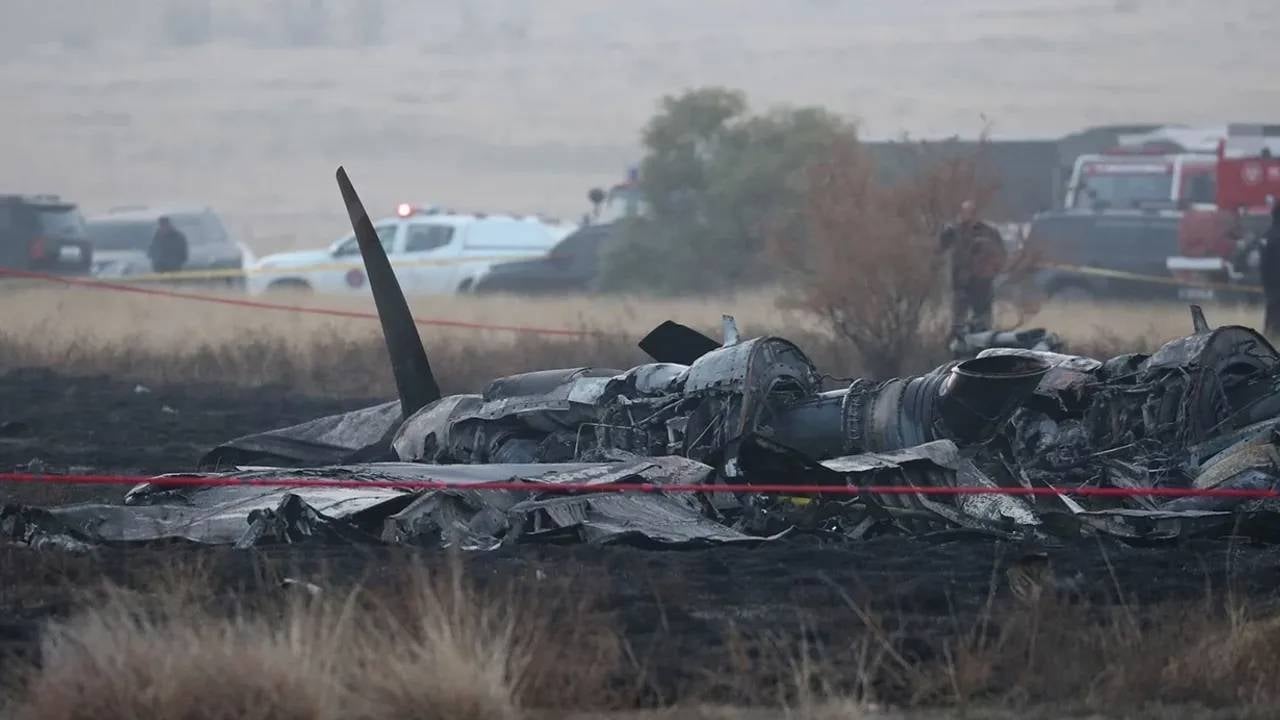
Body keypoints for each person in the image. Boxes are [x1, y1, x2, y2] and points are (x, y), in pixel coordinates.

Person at [938, 200, 1007, 337]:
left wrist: (993, 270)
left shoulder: (988, 232)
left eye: (972, 212)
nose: (968, 216)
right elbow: (940, 247)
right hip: (961, 284)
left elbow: (1001, 254)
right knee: (959, 323)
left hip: (982, 284)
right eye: (965, 212)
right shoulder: (955, 231)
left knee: (983, 323)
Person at [1259, 203, 1280, 336]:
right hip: (1276, 283)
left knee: (1271, 313)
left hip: (1270, 284)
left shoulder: (1268, 234)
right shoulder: (1276, 236)